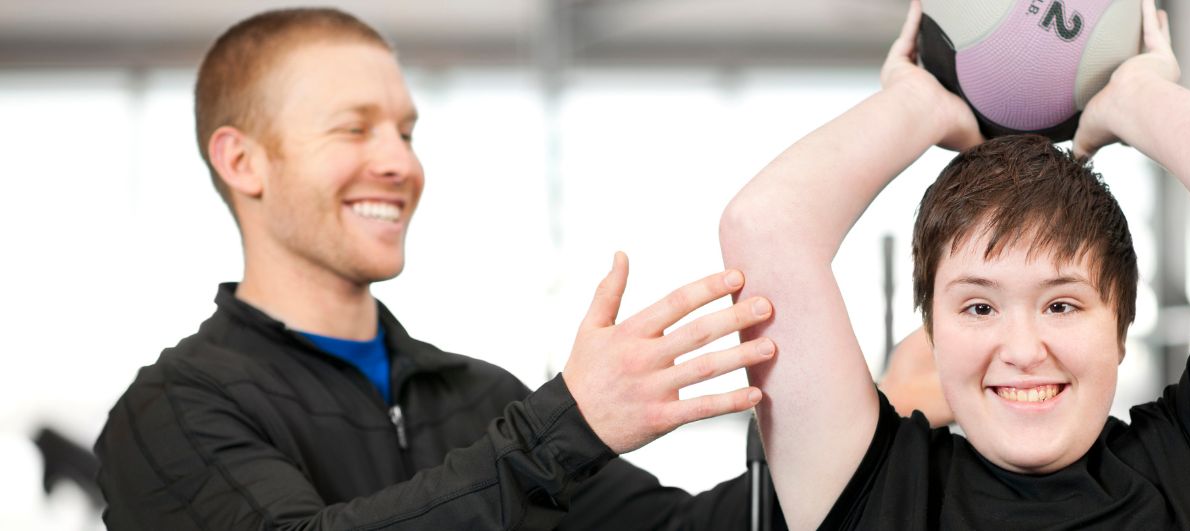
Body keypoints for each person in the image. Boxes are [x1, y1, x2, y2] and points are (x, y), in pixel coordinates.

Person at [96, 8, 786, 529]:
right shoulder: (170, 414)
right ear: (242, 161)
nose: (401, 163)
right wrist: (567, 426)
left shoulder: (478, 399)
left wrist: (872, 430)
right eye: (353, 128)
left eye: (406, 132)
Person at [719, 0, 1190, 528]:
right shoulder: (877, 490)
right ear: (931, 333)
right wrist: (919, 104)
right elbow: (765, 227)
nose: (1022, 349)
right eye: (980, 306)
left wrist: (1136, 97)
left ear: (1121, 326)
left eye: (1062, 304)